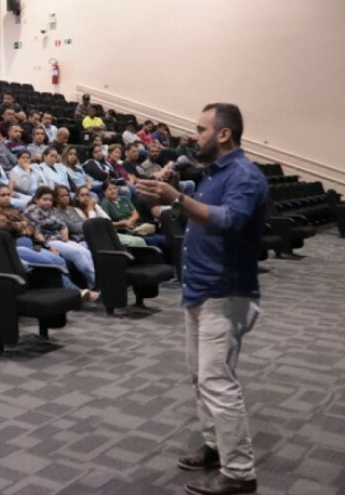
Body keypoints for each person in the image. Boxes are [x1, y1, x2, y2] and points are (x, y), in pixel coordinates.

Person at [137, 103, 266, 495]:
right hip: (200, 290)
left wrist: (177, 198)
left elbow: (230, 221)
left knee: (217, 381)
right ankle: (215, 444)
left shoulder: (244, 175)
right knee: (201, 377)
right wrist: (158, 191)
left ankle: (240, 473)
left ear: (224, 134)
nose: (194, 136)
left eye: (201, 129)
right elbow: (182, 210)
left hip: (225, 292)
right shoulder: (212, 173)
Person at [23, 187, 97, 291]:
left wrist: (63, 227)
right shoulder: (32, 210)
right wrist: (48, 247)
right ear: (36, 199)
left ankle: (92, 283)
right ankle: (95, 283)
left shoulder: (47, 211)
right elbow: (37, 232)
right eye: (44, 199)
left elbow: (60, 223)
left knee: (86, 252)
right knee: (77, 253)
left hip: (59, 239)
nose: (48, 203)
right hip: (49, 241)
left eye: (50, 200)